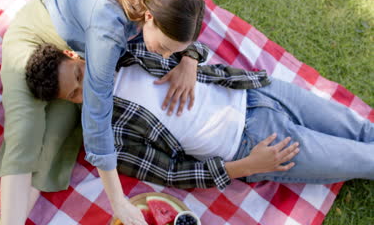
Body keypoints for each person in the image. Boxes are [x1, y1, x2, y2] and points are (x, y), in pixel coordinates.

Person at [0, 0, 205, 224]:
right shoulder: (107, 27)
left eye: (171, 51)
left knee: (57, 134)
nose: (164, 56)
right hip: (35, 35)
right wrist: (118, 201)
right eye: (163, 47)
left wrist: (189, 59)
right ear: (149, 16)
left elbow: (186, 21)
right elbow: (97, 116)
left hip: (78, 53)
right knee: (26, 127)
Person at [25, 42, 373, 192]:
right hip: (252, 145)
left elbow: (187, 36)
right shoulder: (104, 135)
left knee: (363, 131)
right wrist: (247, 167)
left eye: (79, 77)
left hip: (254, 89)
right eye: (73, 95)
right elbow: (173, 174)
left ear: (75, 56)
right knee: (366, 158)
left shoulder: (122, 45)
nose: (85, 91)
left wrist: (189, 62)